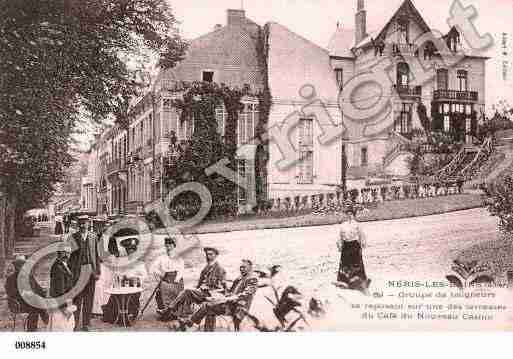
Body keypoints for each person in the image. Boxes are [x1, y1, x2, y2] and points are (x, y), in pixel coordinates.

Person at [178, 259, 258, 331]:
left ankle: (190, 322)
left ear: (250, 267)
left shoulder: (252, 279)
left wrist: (226, 299)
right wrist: (223, 288)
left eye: (244, 267)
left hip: (238, 307)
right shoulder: (239, 278)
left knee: (208, 306)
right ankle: (204, 329)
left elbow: (246, 294)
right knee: (210, 306)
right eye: (241, 267)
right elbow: (230, 292)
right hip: (230, 303)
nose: (241, 269)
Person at [161, 247, 225, 320]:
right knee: (187, 293)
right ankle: (181, 315)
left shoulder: (219, 269)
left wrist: (211, 290)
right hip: (201, 291)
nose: (208, 256)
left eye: (211, 254)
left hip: (210, 294)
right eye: (207, 254)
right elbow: (201, 281)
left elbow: (222, 286)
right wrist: (198, 288)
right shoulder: (207, 266)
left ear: (216, 255)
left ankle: (169, 310)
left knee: (187, 291)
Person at [102, 237, 147, 325]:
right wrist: (121, 275)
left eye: (132, 250)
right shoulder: (122, 261)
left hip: (134, 284)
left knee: (132, 296)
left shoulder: (139, 262)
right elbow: (117, 272)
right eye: (128, 250)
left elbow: (144, 275)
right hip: (123, 283)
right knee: (116, 294)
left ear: (135, 251)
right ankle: (116, 313)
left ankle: (130, 313)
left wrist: (135, 278)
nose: (130, 252)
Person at [68, 215, 100, 331]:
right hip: (78, 272)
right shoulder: (73, 237)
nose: (82, 225)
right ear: (77, 224)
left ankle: (86, 324)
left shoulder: (93, 237)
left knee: (89, 299)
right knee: (77, 298)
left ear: (88, 223)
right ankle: (74, 324)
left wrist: (98, 272)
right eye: (80, 223)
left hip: (91, 271)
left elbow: (97, 256)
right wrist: (71, 273)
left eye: (84, 223)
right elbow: (69, 257)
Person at [4, 255, 49, 331]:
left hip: (30, 302)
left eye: (23, 265)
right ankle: (34, 328)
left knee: (36, 304)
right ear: (15, 266)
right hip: (18, 304)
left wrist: (44, 291)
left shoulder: (29, 277)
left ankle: (34, 327)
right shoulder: (10, 278)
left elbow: (38, 289)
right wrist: (23, 293)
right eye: (18, 265)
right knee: (35, 307)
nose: (21, 267)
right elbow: (10, 293)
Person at [336, 203, 370, 293]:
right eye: (348, 213)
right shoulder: (343, 225)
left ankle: (360, 281)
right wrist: (339, 245)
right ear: (346, 214)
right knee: (345, 263)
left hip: (354, 245)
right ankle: (344, 280)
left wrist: (363, 243)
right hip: (346, 246)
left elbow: (362, 235)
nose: (349, 215)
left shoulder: (357, 224)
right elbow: (340, 236)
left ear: (354, 214)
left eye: (351, 214)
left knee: (357, 263)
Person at [149, 237, 185, 314]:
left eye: (170, 244)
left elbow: (181, 270)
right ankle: (166, 311)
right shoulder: (161, 258)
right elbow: (153, 268)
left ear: (174, 246)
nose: (168, 246)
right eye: (167, 244)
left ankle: (175, 311)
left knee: (174, 290)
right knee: (163, 287)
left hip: (176, 280)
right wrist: (160, 275)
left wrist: (177, 278)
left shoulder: (179, 258)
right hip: (165, 279)